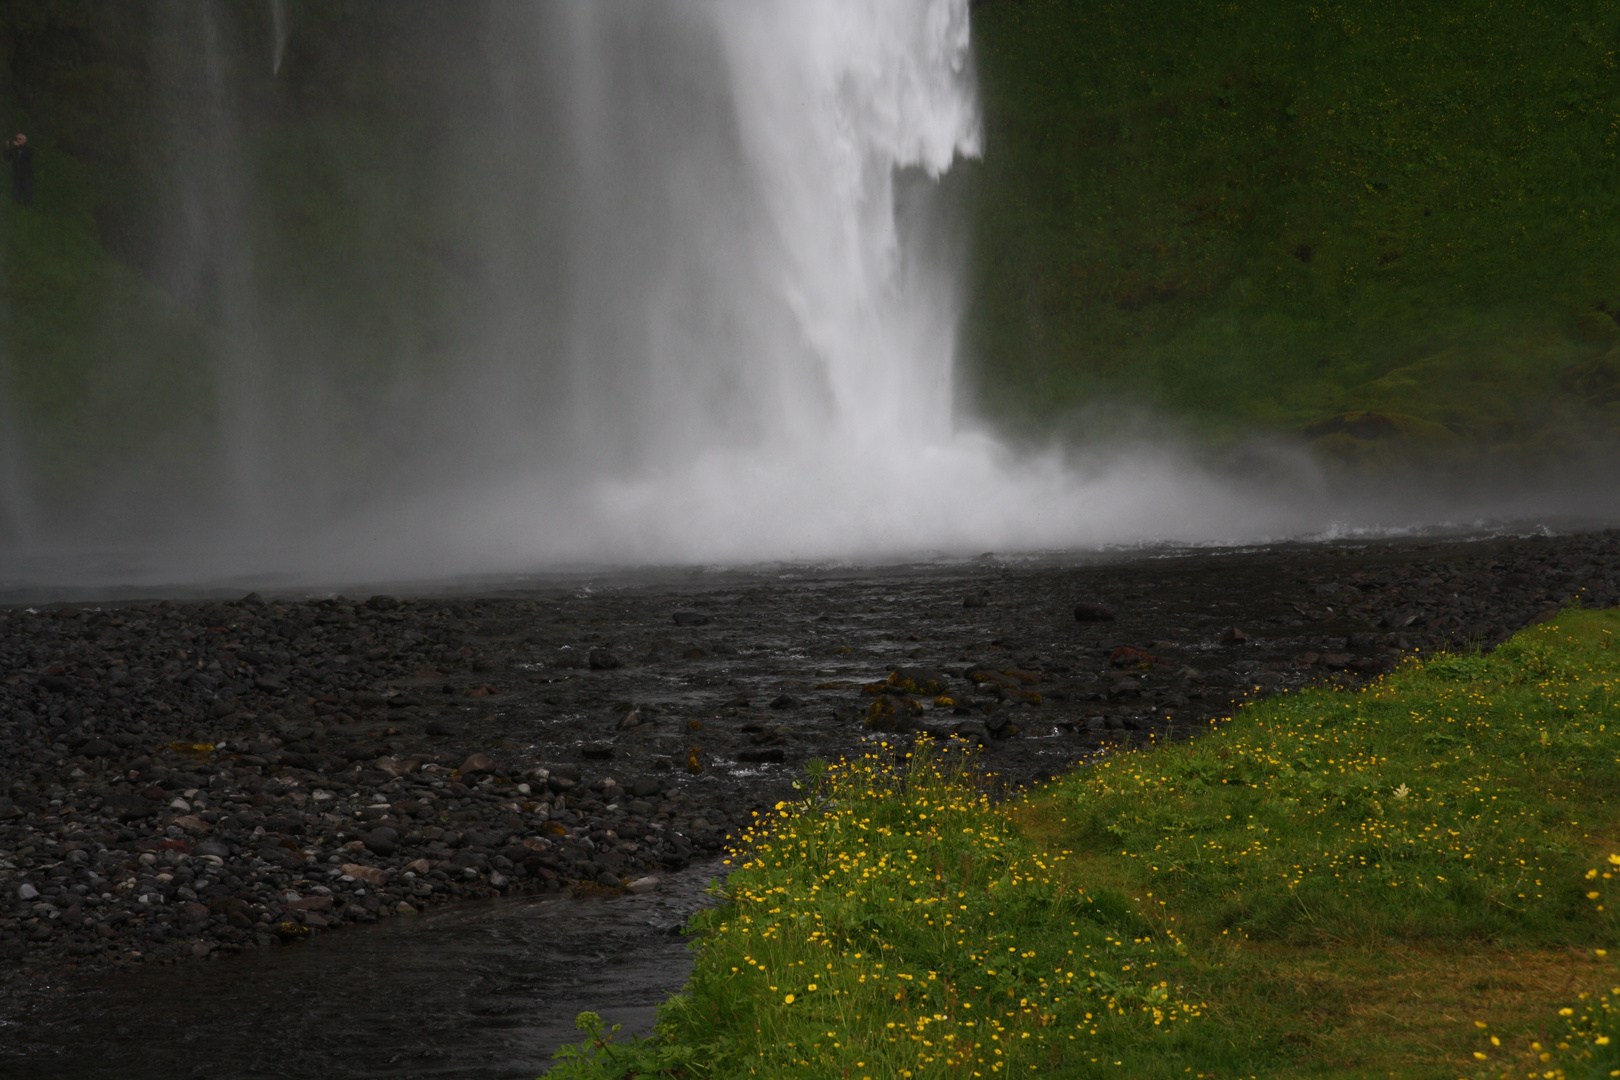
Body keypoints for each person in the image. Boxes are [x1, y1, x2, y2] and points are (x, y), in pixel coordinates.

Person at [4, 134, 34, 207]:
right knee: (16, 192)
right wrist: (7, 146)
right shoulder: (15, 150)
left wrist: (19, 146)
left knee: (27, 192)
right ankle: (16, 207)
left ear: (25, 140)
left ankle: (28, 208)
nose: (17, 140)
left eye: (19, 139)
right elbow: (7, 157)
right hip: (17, 174)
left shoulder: (29, 149)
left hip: (26, 175)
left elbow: (27, 155)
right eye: (17, 139)